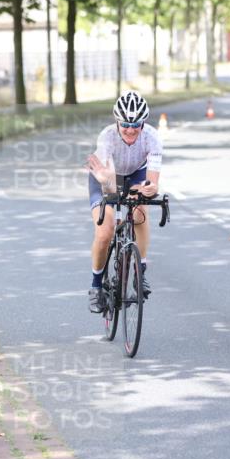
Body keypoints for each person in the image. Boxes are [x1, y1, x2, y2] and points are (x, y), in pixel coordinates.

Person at [84, 90, 162, 314]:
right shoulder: (107, 136)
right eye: (125, 123)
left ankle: (140, 271)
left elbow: (153, 182)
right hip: (105, 176)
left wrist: (150, 189)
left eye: (136, 124)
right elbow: (108, 177)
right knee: (105, 231)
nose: (130, 129)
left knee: (140, 213)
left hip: (137, 173)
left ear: (143, 122)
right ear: (117, 121)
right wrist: (106, 181)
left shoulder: (153, 137)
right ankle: (96, 286)